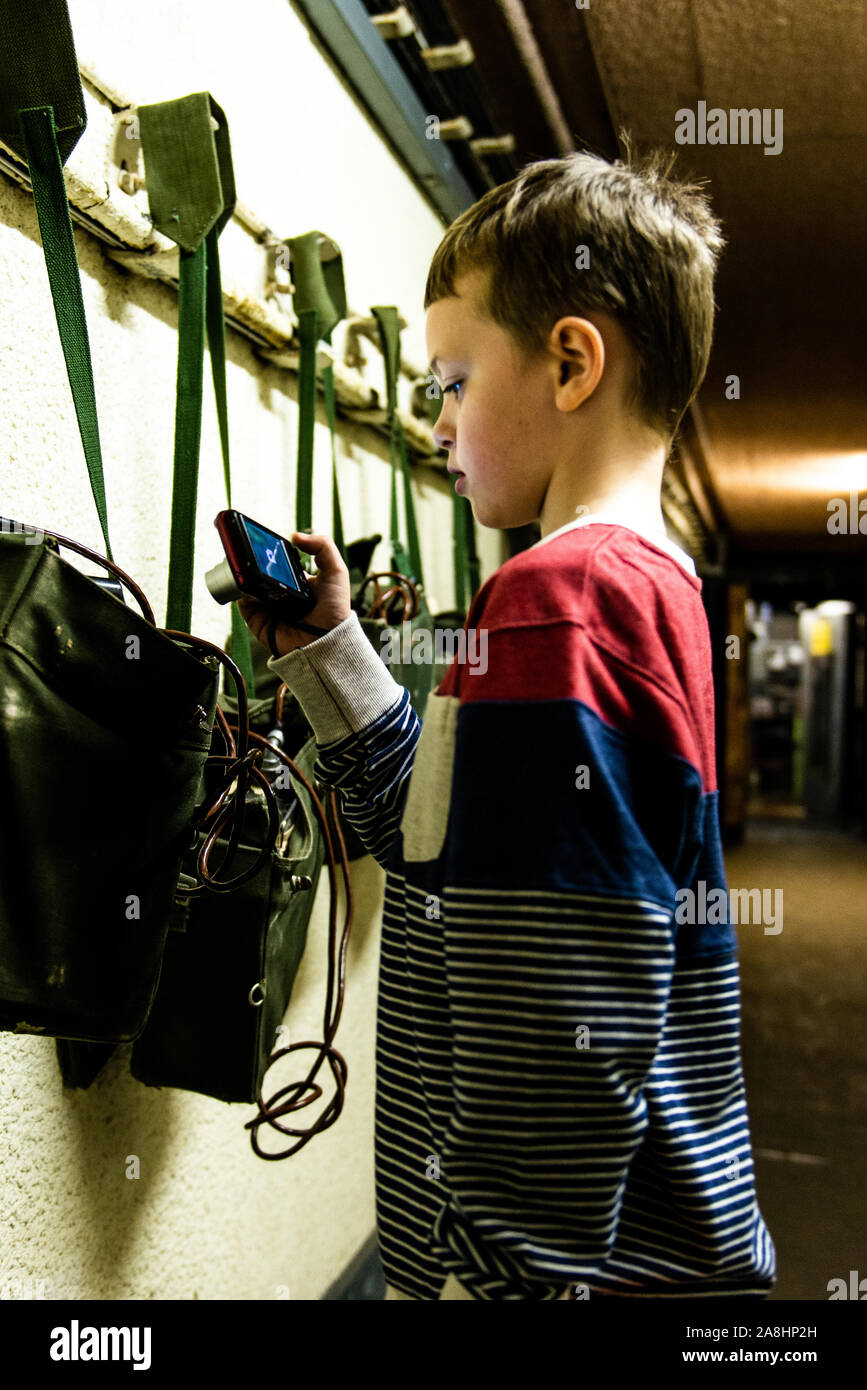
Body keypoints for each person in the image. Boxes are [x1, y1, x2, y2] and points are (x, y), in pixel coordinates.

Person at [238, 148, 777, 1302]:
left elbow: (559, 1051)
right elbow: (432, 848)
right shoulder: (648, 591)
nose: (436, 420)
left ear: (571, 361)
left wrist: (489, 1288)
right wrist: (332, 653)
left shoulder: (558, 604)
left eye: (449, 381)